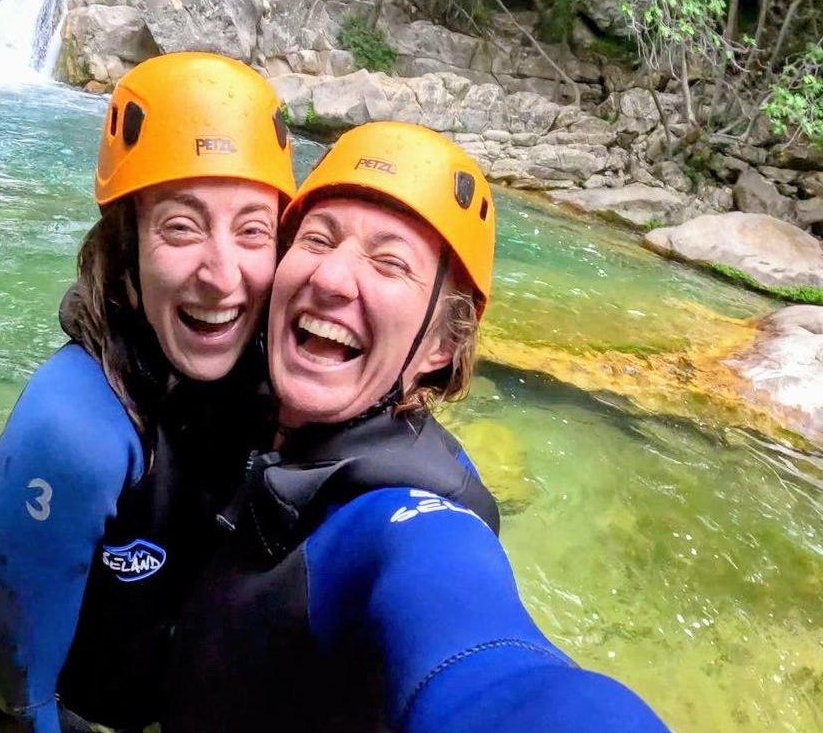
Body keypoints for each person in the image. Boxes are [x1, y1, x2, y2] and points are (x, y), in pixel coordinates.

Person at [164, 121, 669, 733]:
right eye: (318, 239)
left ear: (441, 343)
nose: (330, 278)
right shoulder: (237, 390)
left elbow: (495, 668)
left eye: (389, 263)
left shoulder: (407, 518)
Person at [0, 52, 296, 733]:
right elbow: (16, 701)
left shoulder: (276, 387)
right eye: (181, 225)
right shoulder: (72, 432)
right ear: (126, 248)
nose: (222, 275)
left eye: (253, 230)